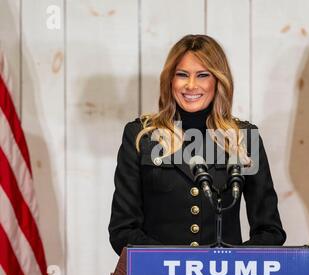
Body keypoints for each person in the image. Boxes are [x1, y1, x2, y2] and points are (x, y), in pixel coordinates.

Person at [109, 34, 286, 255]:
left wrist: (228, 263)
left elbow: (270, 231)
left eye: (202, 75)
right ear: (170, 80)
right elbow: (122, 230)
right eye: (182, 75)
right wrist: (175, 265)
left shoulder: (244, 137)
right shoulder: (141, 136)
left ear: (218, 80)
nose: (191, 85)